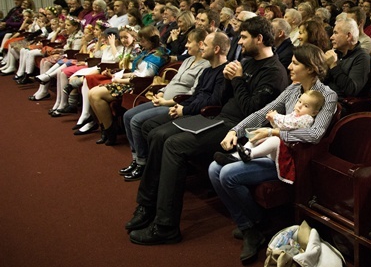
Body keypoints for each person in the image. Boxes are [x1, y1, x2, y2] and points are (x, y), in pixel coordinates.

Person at [125, 17, 288, 246]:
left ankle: (166, 225)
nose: (239, 43)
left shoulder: (275, 72)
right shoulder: (248, 63)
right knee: (157, 135)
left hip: (239, 129)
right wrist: (226, 79)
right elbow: (225, 98)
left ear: (259, 39)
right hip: (219, 118)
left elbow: (250, 109)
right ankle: (147, 205)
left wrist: (238, 79)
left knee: (173, 145)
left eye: (243, 38)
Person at [208, 44, 337, 262]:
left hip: (293, 159)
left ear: (311, 69)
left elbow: (315, 134)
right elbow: (261, 113)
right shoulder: (293, 89)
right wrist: (234, 130)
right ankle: (249, 227)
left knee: (227, 175)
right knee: (213, 169)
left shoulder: (327, 96)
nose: (289, 66)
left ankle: (257, 224)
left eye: (296, 63)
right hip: (273, 150)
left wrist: (275, 131)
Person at [120, 31, 229, 182]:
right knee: (129, 116)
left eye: (190, 42)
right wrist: (161, 92)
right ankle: (140, 160)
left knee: (141, 123)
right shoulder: (190, 62)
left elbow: (197, 95)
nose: (186, 45)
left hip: (180, 104)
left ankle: (146, 164)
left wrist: (178, 106)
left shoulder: (210, 68)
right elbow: (177, 83)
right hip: (173, 101)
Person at [86, 25, 170, 145]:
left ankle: (111, 132)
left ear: (152, 40)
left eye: (143, 40)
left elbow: (143, 78)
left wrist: (119, 80)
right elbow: (135, 72)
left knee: (96, 95)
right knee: (91, 92)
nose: (140, 42)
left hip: (139, 87)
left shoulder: (158, 55)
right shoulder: (147, 51)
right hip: (133, 82)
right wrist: (117, 76)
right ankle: (105, 129)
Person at [213, 89, 325, 165]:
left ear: (314, 112)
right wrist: (272, 120)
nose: (299, 106)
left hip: (287, 152)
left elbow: (288, 123)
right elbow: (280, 126)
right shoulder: (295, 113)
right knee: (259, 136)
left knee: (274, 140)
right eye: (299, 101)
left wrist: (276, 116)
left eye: (305, 106)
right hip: (276, 149)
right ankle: (238, 155)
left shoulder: (307, 119)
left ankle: (250, 154)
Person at [324, 18, 371, 97]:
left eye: (335, 33)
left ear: (349, 36)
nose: (331, 37)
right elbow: (323, 81)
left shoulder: (362, 57)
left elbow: (351, 90)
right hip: (324, 95)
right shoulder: (336, 53)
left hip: (341, 104)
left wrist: (333, 66)